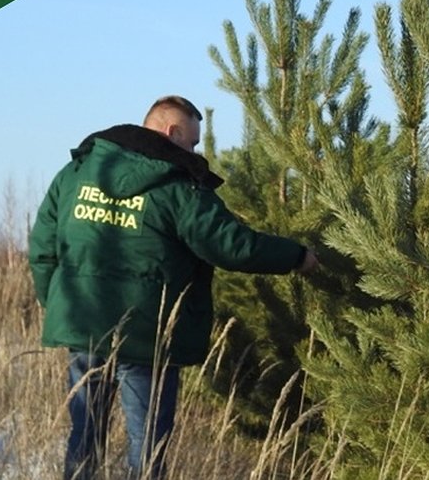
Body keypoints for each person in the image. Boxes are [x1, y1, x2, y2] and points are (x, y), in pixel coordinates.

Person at [28, 95, 318, 480]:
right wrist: (297, 256)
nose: (195, 151)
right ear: (172, 132)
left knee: (84, 440)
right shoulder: (177, 187)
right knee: (148, 449)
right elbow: (231, 245)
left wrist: (61, 306)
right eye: (193, 142)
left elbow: (42, 247)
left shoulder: (76, 174)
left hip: (84, 330)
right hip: (147, 338)